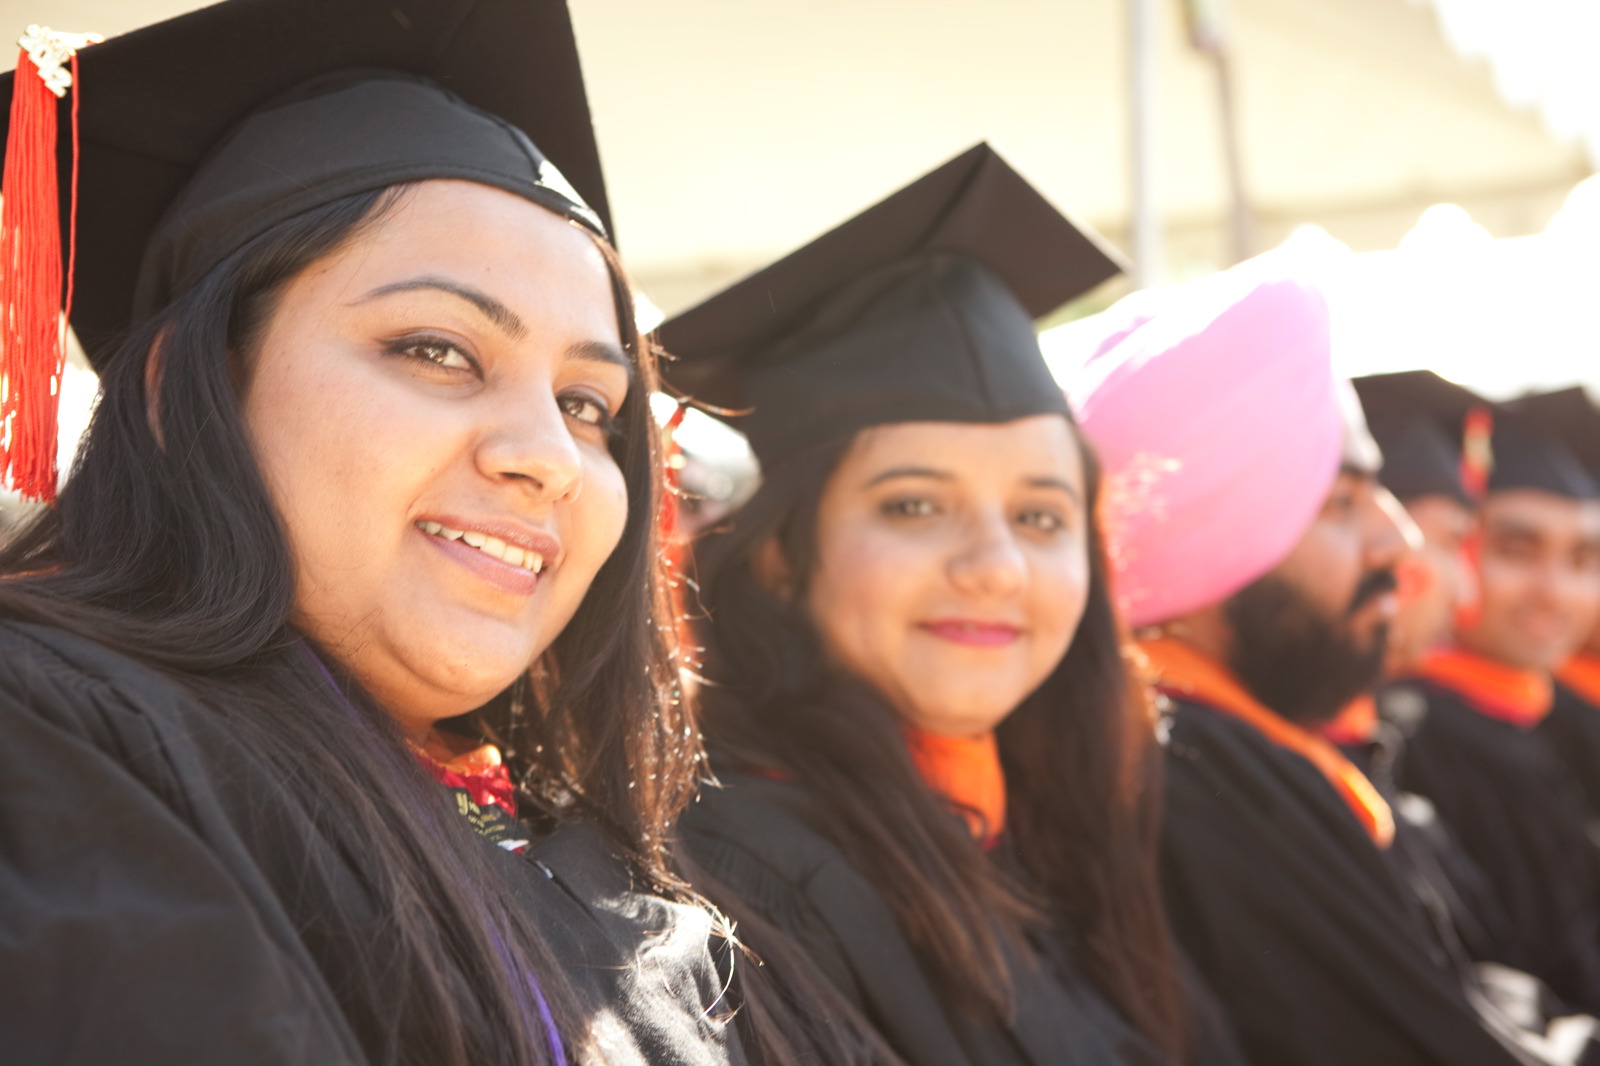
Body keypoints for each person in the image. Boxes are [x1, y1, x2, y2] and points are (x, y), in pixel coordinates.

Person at [0, 2, 749, 1063]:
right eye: (438, 350)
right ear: (181, 390)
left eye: (588, 404)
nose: (547, 454)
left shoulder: (580, 854)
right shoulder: (52, 749)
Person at [661, 144, 1240, 1066]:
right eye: (914, 506)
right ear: (777, 559)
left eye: (1040, 516)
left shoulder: (1063, 829)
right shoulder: (747, 878)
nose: (997, 568)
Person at [1059, 260, 1553, 1066]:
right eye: (1340, 503)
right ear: (1203, 547)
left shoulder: (1251, 748)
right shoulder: (1197, 778)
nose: (1400, 542)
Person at [1380, 385, 1600, 1018]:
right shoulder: (1415, 737)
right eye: (1515, 551)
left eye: (1583, 559)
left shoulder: (1552, 718)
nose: (1555, 591)